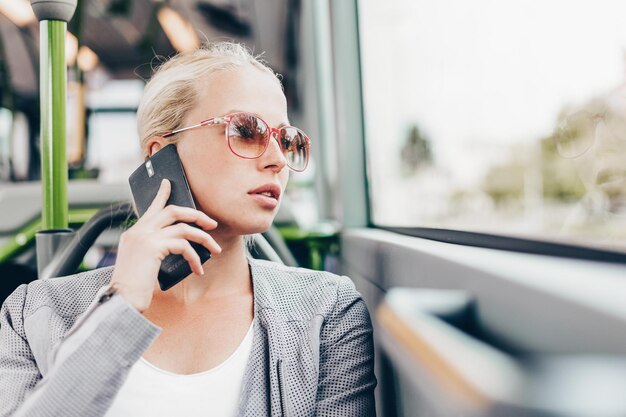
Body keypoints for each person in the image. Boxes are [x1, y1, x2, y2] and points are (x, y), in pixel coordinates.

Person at [0, 42, 376, 416]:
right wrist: (122, 303)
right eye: (246, 131)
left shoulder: (325, 312)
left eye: (286, 140)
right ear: (160, 154)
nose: (277, 160)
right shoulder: (32, 314)